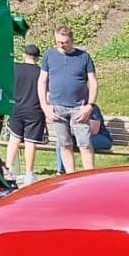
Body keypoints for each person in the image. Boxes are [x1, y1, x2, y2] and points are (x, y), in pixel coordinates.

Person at [38, 26, 100, 171]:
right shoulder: (49, 55)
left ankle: (90, 176)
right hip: (57, 107)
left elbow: (93, 82)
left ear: (72, 41)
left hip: (79, 107)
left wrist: (90, 105)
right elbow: (42, 81)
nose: (61, 45)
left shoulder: (83, 57)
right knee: (65, 144)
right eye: (58, 42)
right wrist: (45, 106)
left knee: (85, 144)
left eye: (65, 42)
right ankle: (70, 175)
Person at [1, 44, 47, 181]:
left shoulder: (14, 69)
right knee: (30, 142)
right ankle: (29, 173)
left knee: (14, 139)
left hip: (16, 108)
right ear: (37, 58)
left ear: (24, 55)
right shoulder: (41, 72)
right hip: (34, 110)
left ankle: (8, 169)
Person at [52, 104, 115, 173]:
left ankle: (89, 172)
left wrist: (78, 127)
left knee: (84, 142)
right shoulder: (66, 109)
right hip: (78, 136)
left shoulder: (92, 108)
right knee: (62, 142)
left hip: (102, 138)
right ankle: (62, 171)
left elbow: (94, 130)